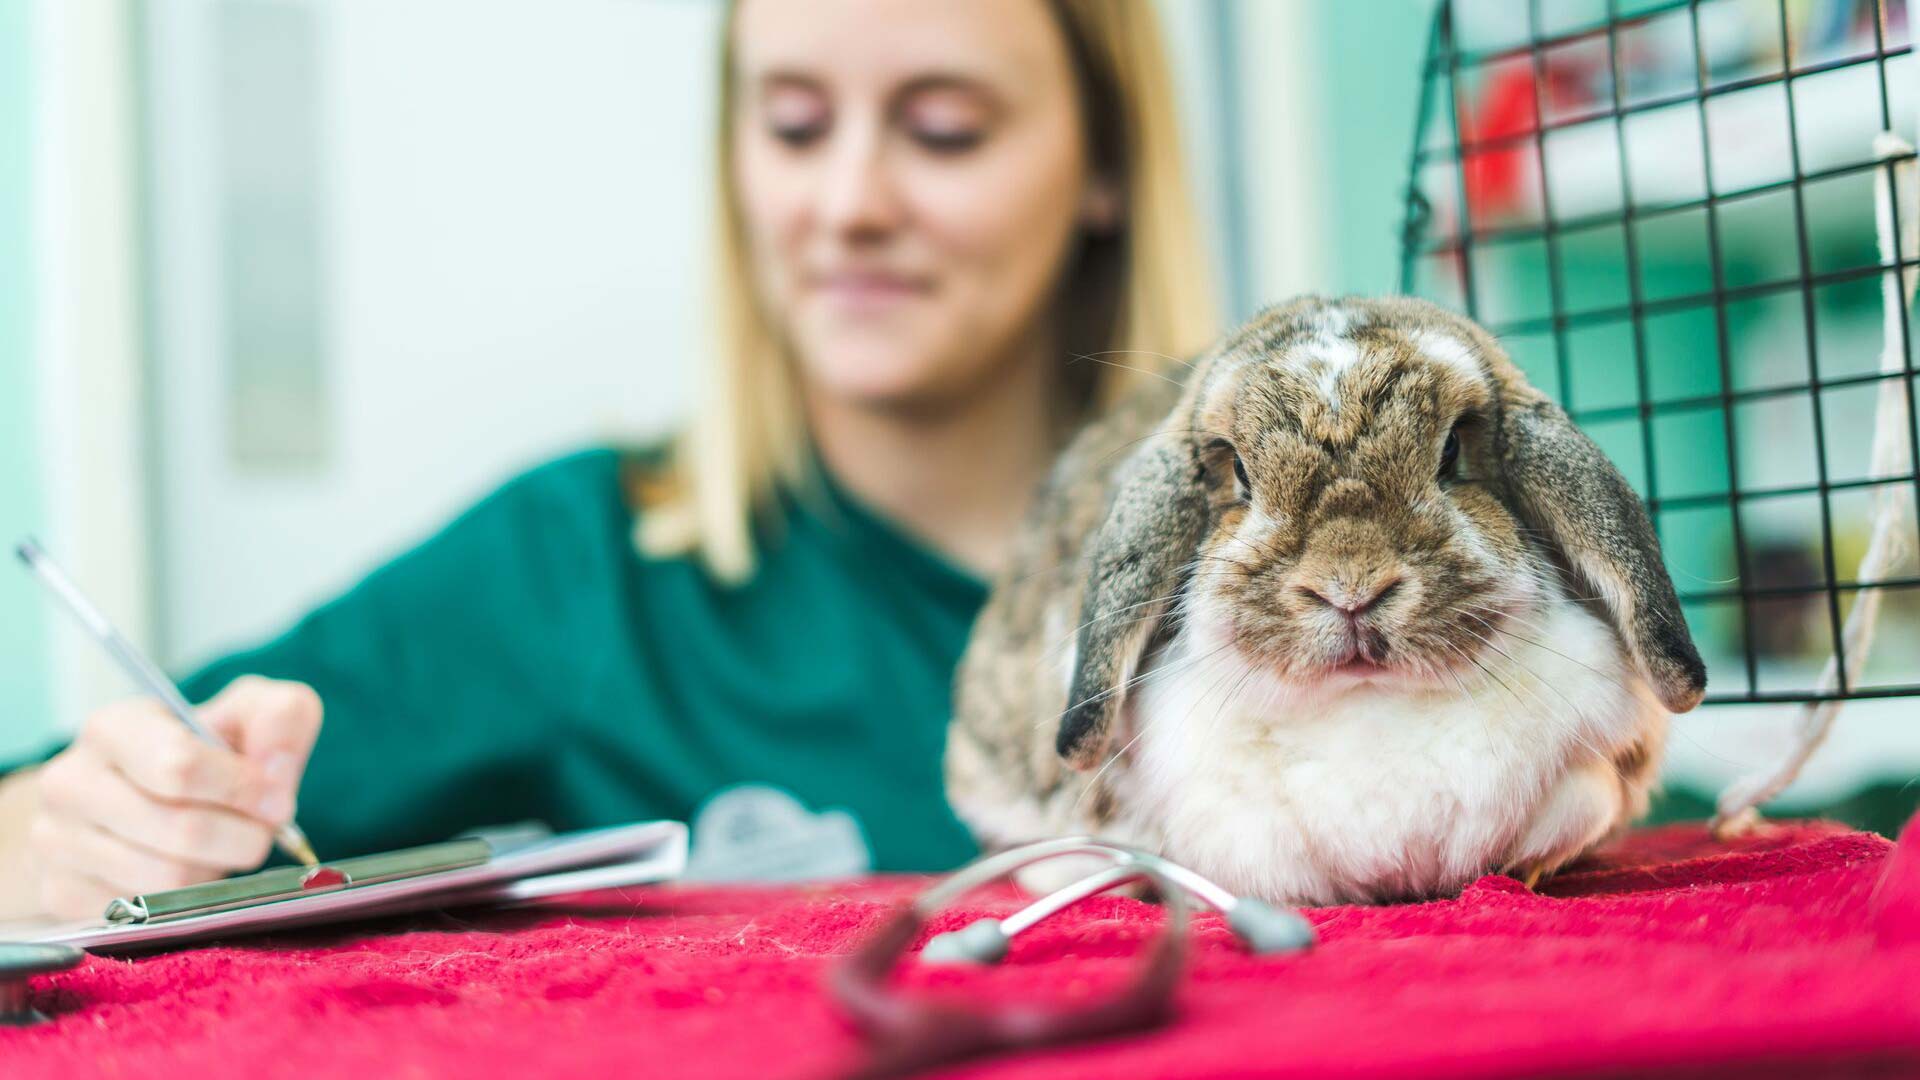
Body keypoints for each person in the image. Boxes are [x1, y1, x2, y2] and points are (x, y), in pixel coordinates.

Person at [0, 0, 1218, 919]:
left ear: (1105, 166)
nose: (848, 200)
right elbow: (34, 824)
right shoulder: (577, 571)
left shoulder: (1290, 594)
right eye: (793, 124)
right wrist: (88, 832)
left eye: (944, 133)